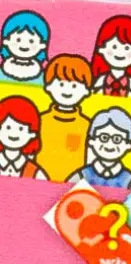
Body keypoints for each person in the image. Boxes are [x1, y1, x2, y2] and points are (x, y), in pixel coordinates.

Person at [37, 54, 94, 182]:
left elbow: (91, 161)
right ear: (48, 87)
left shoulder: (87, 125)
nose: (67, 90)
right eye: (61, 84)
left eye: (74, 86)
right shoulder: (40, 121)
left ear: (86, 91)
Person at [67, 107, 131, 190]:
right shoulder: (82, 175)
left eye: (117, 139)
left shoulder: (130, 181)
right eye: (104, 137)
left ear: (128, 145)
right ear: (91, 140)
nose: (110, 144)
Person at [91, 14, 131, 99]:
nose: (120, 53)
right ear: (101, 49)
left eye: (127, 48)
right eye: (114, 47)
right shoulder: (87, 91)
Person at [0, 94, 49, 179]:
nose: (14, 133)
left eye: (21, 129)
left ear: (32, 134)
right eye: (8, 127)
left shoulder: (35, 173)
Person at [0, 10, 50, 85]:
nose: (24, 45)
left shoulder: (43, 78)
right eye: (18, 40)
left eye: (31, 41)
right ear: (6, 41)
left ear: (42, 45)